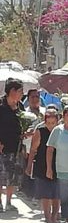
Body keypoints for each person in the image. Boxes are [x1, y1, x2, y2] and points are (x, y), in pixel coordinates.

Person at [25, 108, 60, 223]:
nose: (50, 126)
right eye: (48, 123)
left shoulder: (60, 132)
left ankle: (55, 216)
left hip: (58, 165)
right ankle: (47, 216)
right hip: (42, 164)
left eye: (53, 123)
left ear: (57, 122)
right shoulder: (40, 132)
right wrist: (29, 166)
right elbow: (33, 150)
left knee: (56, 193)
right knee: (45, 193)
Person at [0, 78, 24, 212]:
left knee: (13, 176)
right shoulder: (1, 106)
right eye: (20, 91)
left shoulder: (20, 107)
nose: (21, 94)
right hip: (2, 147)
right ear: (12, 91)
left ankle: (9, 202)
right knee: (1, 175)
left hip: (16, 147)